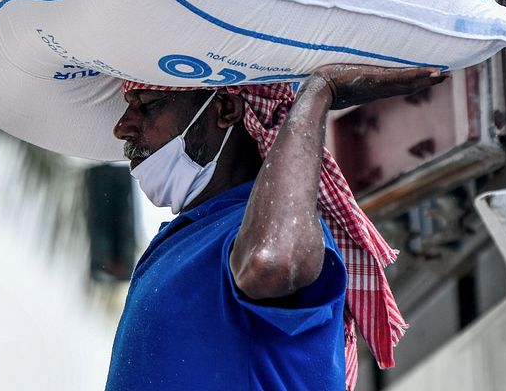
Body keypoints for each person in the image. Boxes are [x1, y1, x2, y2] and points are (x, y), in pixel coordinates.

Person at [105, 65, 448, 391]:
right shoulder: (180, 239)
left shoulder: (260, 233)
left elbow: (270, 262)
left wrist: (319, 92)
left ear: (225, 109)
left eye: (147, 105)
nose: (122, 127)